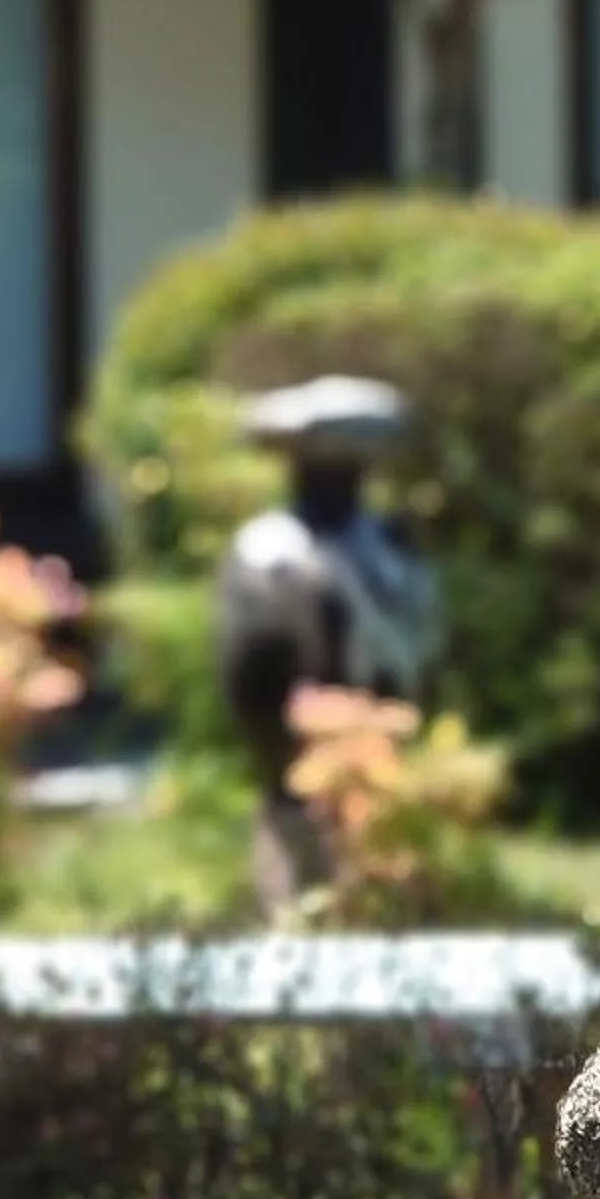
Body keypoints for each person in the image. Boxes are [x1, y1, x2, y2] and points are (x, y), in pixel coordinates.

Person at [211, 376, 440, 911]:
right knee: (304, 898)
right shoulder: (270, 551)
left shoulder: (386, 545)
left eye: (351, 469)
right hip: (304, 767)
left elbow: (423, 641)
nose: (342, 482)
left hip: (389, 756)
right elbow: (251, 673)